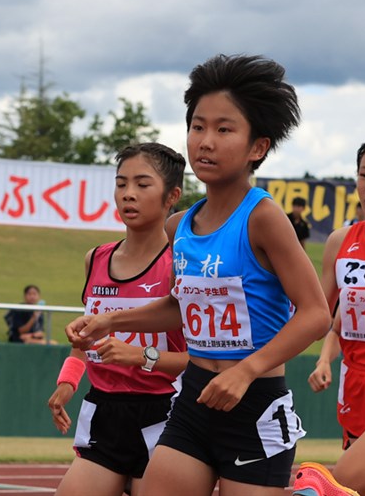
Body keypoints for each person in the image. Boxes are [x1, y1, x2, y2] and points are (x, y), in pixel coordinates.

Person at [65, 54, 333, 496]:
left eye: (224, 129)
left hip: (254, 406)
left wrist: (246, 371)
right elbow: (179, 306)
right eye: (197, 126)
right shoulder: (180, 226)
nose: (205, 141)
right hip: (193, 401)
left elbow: (315, 314)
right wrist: (110, 321)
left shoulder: (263, 218)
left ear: (257, 147)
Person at [47, 143, 189, 496]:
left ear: (172, 195)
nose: (128, 194)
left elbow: (200, 361)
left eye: (142, 184)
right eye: (121, 183)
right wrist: (67, 383)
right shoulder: (94, 259)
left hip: (166, 416)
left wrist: (140, 357)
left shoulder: (180, 264)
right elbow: (85, 345)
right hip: (105, 413)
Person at [295, 137, 365, 496]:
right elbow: (323, 316)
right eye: (363, 175)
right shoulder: (340, 243)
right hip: (357, 383)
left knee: (337, 481)